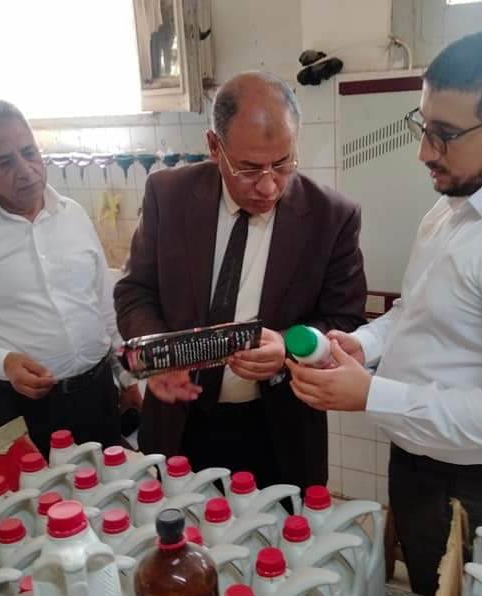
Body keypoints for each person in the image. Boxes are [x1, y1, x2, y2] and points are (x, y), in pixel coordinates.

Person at [287, 30, 482, 596]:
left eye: (446, 134)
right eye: (423, 125)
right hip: (424, 470)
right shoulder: (456, 206)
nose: (424, 151)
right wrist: (368, 344)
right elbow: (418, 310)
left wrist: (374, 395)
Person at [114, 71, 367, 491]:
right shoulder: (169, 195)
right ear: (214, 146)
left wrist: (287, 347)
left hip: (278, 430)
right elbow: (135, 292)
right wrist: (158, 357)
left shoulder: (331, 217)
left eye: (283, 164)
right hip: (179, 423)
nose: (268, 186)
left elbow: (346, 322)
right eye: (248, 169)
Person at [0, 99, 133, 458]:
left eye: (29, 152)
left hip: (95, 397)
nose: (26, 170)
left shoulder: (72, 215)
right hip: (12, 408)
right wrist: (2, 361)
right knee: (26, 494)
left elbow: (101, 304)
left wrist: (125, 373)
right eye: (5, 162)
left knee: (108, 489)